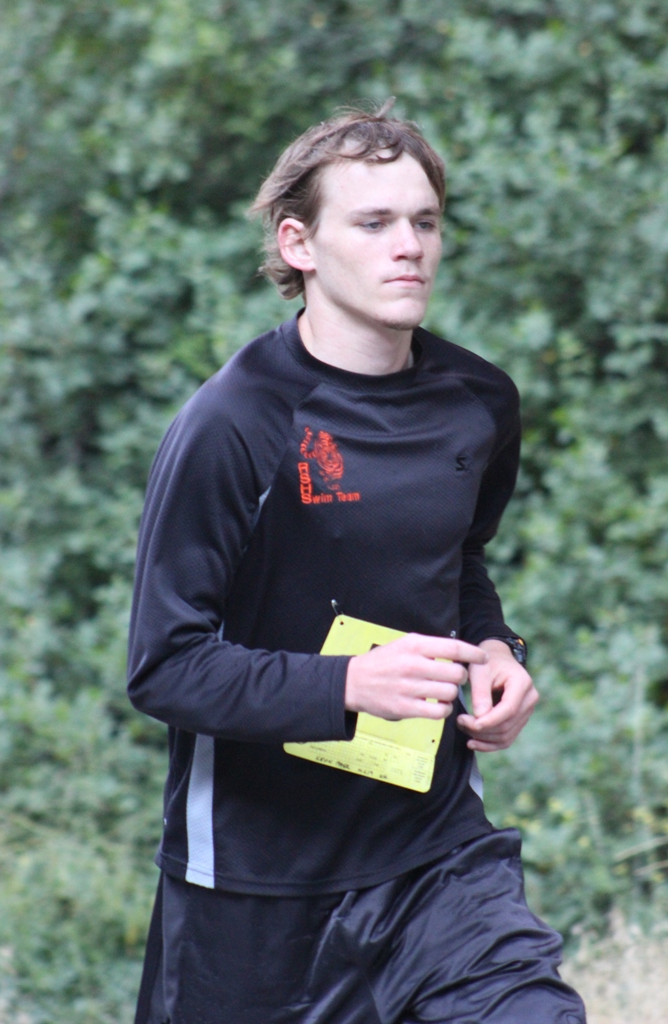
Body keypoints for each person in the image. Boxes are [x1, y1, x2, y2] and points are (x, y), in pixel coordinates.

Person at [128, 103, 586, 1024]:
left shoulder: (478, 401)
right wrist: (347, 686)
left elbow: (457, 560)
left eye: (424, 221)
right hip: (256, 885)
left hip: (434, 858)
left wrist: (494, 647)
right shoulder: (233, 423)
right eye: (373, 223)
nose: (408, 246)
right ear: (298, 243)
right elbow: (164, 667)